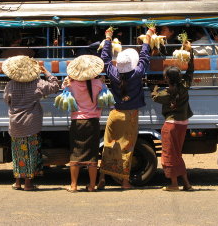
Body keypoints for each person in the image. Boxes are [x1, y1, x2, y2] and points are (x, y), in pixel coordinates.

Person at [97, 26, 154, 190]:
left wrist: (108, 38)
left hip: (114, 114)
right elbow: (144, 57)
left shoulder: (113, 73)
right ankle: (124, 181)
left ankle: (102, 179)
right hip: (130, 116)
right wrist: (147, 37)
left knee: (109, 147)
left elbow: (105, 59)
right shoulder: (137, 74)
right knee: (126, 149)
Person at [2, 55, 59, 191]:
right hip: (31, 124)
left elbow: (6, 100)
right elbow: (55, 86)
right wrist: (46, 72)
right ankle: (28, 183)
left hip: (15, 124)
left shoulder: (10, 85)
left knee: (17, 153)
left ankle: (17, 182)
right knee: (31, 153)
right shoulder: (37, 83)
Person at [151, 40, 194, 191]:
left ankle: (174, 184)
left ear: (167, 79)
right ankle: (187, 184)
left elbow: (154, 96)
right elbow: (190, 71)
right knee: (177, 154)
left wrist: (154, 86)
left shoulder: (166, 93)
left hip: (171, 126)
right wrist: (191, 52)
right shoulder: (185, 85)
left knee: (169, 154)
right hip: (183, 124)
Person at [63, 55, 104, 192]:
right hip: (93, 121)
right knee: (92, 153)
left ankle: (73, 185)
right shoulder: (98, 84)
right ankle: (92, 186)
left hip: (77, 121)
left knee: (75, 152)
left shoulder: (71, 84)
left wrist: (68, 81)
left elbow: (63, 89)